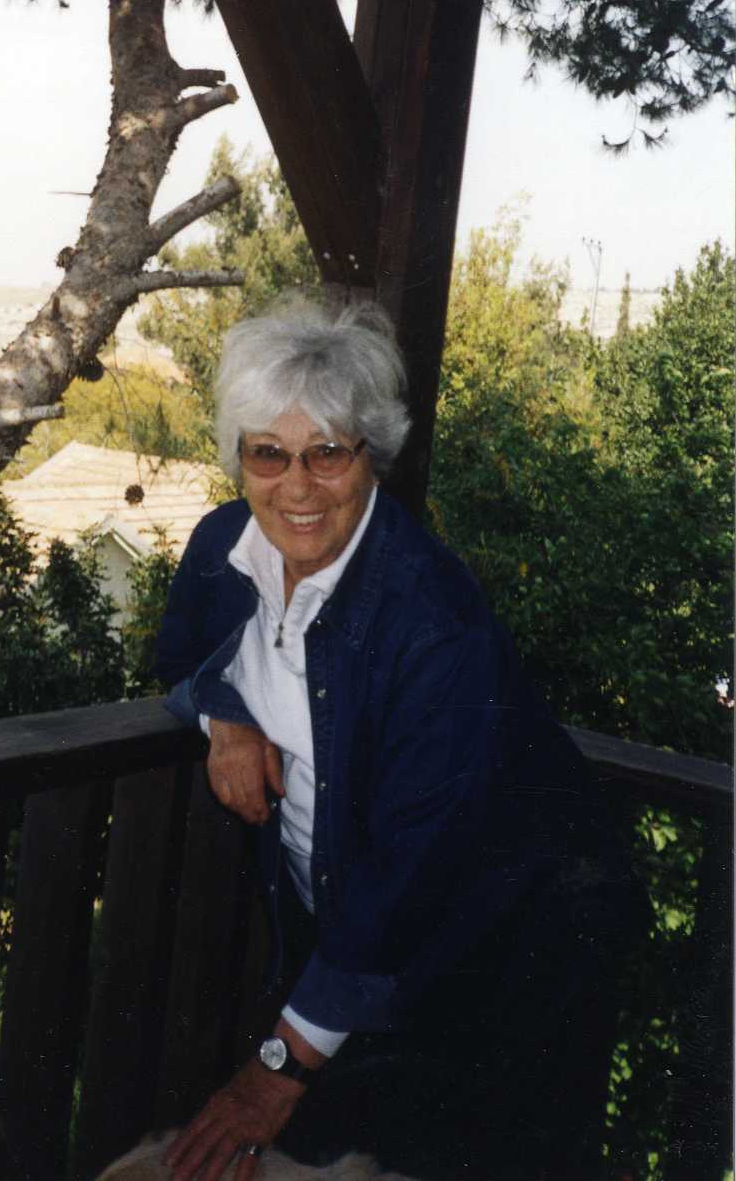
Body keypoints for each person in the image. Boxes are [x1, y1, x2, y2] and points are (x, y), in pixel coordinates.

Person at [155, 302, 641, 1181]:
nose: (296, 487)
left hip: (520, 943)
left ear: (370, 454)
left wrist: (277, 1068)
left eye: (326, 453)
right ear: (238, 458)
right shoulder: (222, 549)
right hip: (365, 936)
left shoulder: (432, 621)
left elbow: (410, 868)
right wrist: (223, 718)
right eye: (267, 453)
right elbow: (179, 659)